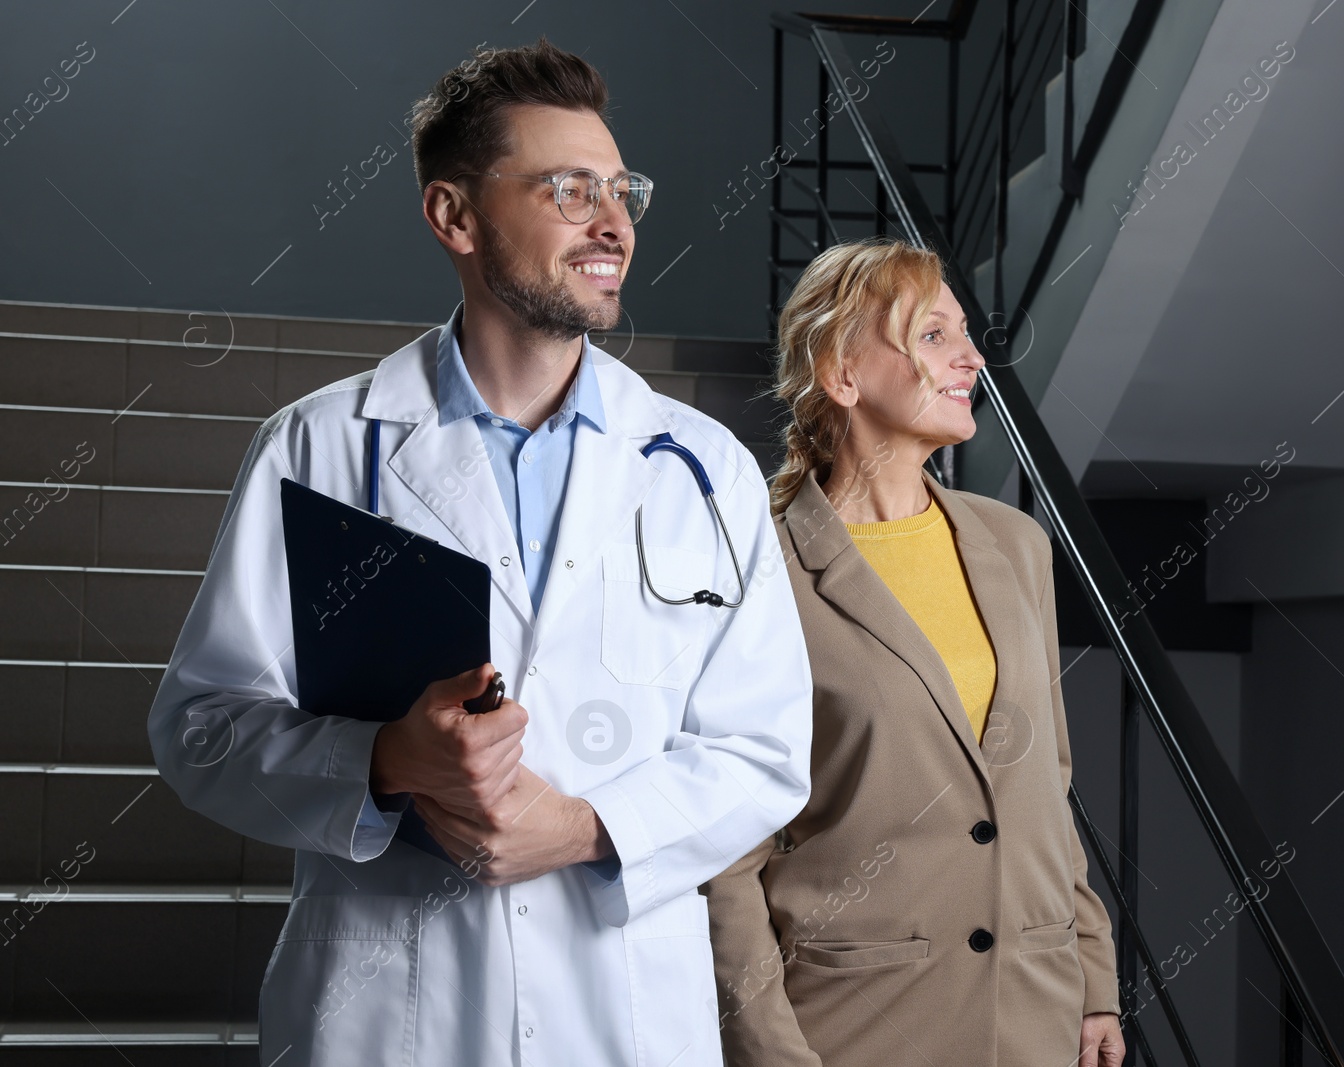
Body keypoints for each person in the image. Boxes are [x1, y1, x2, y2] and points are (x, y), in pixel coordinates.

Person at [147, 40, 812, 1067]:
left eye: (620, 189)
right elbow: (201, 730)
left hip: (623, 1017)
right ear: (453, 216)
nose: (613, 222)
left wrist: (589, 827)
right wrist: (378, 761)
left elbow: (764, 752)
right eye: (567, 188)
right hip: (388, 1017)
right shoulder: (319, 447)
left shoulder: (703, 467)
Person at [704, 239, 1126, 1066]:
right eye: (933, 335)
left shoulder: (1016, 542)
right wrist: (769, 1050)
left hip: (1035, 1014)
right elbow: (726, 855)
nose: (971, 355)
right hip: (858, 1025)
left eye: (964, 332)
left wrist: (1091, 978)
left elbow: (1050, 785)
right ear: (843, 373)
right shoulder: (758, 571)